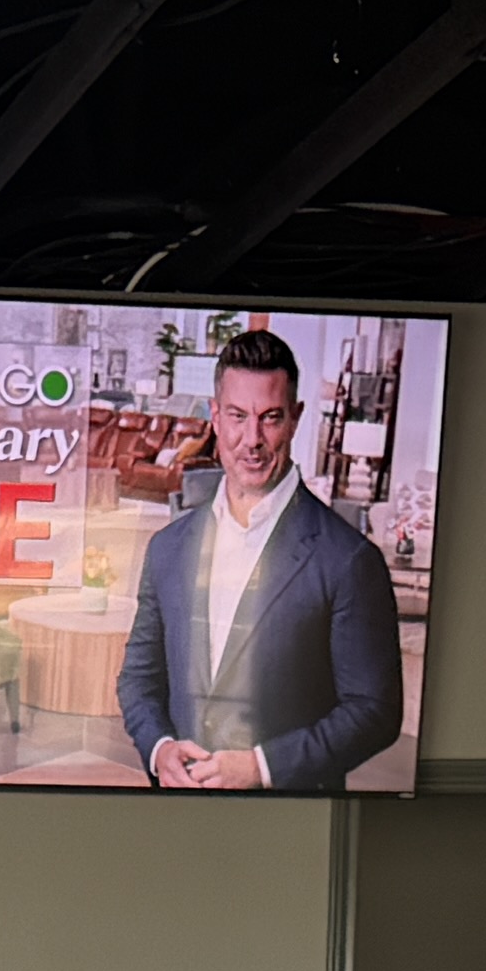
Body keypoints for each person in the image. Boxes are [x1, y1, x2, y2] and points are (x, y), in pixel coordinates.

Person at [115, 326, 403, 796]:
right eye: (237, 416)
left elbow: (375, 712)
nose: (252, 439)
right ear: (215, 417)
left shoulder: (349, 559)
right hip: (178, 811)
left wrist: (262, 768)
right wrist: (159, 748)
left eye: (270, 418)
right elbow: (139, 679)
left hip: (291, 818)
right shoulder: (167, 547)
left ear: (295, 419)